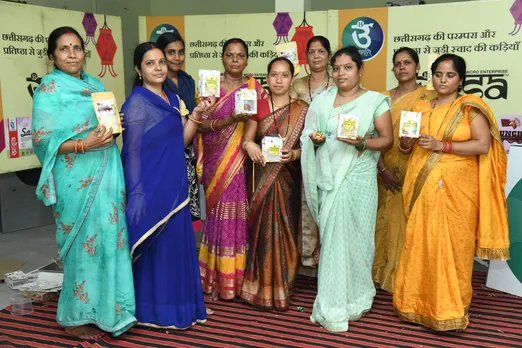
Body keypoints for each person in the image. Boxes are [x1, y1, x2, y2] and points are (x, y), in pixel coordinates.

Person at [32, 26, 136, 340]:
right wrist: (82, 145)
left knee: (111, 240)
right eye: (64, 49)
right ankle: (75, 315)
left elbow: (102, 127)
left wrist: (114, 125)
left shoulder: (95, 83)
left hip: (106, 169)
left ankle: (112, 310)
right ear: (52, 56)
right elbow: (41, 140)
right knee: (81, 246)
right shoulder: (48, 89)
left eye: (77, 48)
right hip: (74, 176)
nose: (73, 54)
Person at [393, 54, 510, 331]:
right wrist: (407, 143)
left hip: (457, 188)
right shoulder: (419, 107)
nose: (443, 80)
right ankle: (415, 303)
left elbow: (482, 146)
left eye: (450, 75)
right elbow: (405, 149)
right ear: (430, 76)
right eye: (438, 74)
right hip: (421, 184)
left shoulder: (470, 107)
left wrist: (442, 146)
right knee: (420, 242)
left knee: (453, 246)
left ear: (461, 79)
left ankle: (450, 307)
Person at [121, 42, 215, 329]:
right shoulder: (136, 104)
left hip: (175, 184)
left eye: (161, 61)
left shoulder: (173, 99)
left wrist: (197, 113)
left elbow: (181, 140)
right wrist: (136, 192)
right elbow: (132, 151)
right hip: (150, 187)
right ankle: (153, 311)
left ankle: (180, 307)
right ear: (138, 70)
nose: (159, 67)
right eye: (150, 63)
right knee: (154, 250)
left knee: (175, 250)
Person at [301, 46, 393, 332]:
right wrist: (314, 140)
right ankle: (332, 301)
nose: (341, 73)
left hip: (359, 178)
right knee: (334, 240)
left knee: (359, 240)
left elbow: (386, 139)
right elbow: (309, 135)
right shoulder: (322, 101)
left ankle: (357, 297)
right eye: (337, 68)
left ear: (359, 70)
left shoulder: (376, 101)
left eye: (348, 67)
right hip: (330, 178)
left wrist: (363, 143)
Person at [197, 38, 268, 301]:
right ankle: (213, 278)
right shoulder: (210, 85)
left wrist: (246, 140)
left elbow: (257, 119)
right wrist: (229, 120)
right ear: (222, 58)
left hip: (239, 159)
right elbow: (200, 124)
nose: (235, 59)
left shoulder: (253, 87)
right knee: (216, 215)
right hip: (216, 160)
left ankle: (237, 279)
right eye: (230, 55)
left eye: (240, 55)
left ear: (247, 60)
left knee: (237, 214)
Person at [240, 57, 308, 310]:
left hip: (288, 177)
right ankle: (258, 286)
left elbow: (309, 147)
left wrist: (295, 154)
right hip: (260, 177)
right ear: (266, 78)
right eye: (274, 75)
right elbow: (246, 139)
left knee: (286, 229)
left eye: (284, 75)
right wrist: (251, 146)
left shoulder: (303, 108)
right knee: (261, 231)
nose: (279, 80)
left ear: (292, 78)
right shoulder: (257, 105)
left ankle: (283, 284)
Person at [372, 47, 435, 293]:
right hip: (382, 170)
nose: (402, 67)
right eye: (397, 63)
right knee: (380, 222)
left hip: (414, 171)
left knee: (405, 224)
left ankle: (401, 278)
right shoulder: (381, 98)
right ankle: (377, 274)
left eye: (407, 62)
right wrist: (382, 169)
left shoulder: (428, 97)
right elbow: (373, 136)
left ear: (417, 67)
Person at [290, 36, 334, 275]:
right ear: (306, 56)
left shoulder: (338, 83)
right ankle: (306, 254)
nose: (316, 56)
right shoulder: (297, 84)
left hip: (330, 152)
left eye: (321, 51)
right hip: (300, 151)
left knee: (327, 202)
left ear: (328, 56)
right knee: (304, 201)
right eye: (312, 52)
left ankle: (326, 253)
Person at [156, 32, 201, 226]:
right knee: (169, 206)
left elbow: (193, 111)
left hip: (188, 150)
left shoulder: (188, 80)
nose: (177, 58)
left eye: (181, 52)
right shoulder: (156, 82)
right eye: (171, 52)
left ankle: (186, 250)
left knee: (187, 207)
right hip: (166, 151)